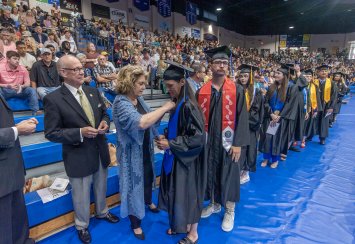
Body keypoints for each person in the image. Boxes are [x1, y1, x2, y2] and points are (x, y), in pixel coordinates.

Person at [44, 55, 119, 244]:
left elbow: (104, 113)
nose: (81, 72)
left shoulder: (92, 91)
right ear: (63, 73)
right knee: (81, 194)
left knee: (101, 186)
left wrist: (104, 122)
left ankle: (102, 212)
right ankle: (82, 225)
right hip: (78, 154)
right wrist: (79, 132)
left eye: (81, 68)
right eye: (75, 69)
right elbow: (52, 133)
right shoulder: (53, 99)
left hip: (99, 149)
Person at [112, 65, 175, 240]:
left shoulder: (138, 99)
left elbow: (151, 120)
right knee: (133, 187)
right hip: (130, 155)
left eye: (144, 83)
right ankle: (136, 223)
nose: (144, 86)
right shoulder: (120, 102)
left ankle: (147, 201)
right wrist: (165, 107)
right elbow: (140, 122)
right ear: (129, 83)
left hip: (144, 150)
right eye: (140, 83)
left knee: (147, 178)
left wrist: (158, 134)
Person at [197, 46, 250, 232]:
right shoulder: (202, 90)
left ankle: (230, 209)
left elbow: (243, 117)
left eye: (225, 63)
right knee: (211, 171)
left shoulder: (236, 89)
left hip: (229, 142)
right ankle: (214, 203)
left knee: (229, 173)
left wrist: (238, 144)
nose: (222, 66)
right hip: (209, 142)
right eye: (218, 62)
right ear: (210, 65)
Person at [157, 61, 207, 244]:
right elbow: (181, 130)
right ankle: (182, 224)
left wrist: (170, 143)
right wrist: (165, 137)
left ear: (182, 82)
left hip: (188, 159)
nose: (168, 89)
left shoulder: (188, 105)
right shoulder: (179, 103)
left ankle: (193, 233)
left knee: (189, 194)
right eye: (166, 86)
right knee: (178, 192)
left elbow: (198, 137)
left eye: (171, 86)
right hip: (177, 156)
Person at [0, 92, 37, 244]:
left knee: (17, 221)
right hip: (3, 175)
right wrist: (16, 130)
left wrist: (20, 127)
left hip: (11, 170)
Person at [259, 65, 295, 168]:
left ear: (284, 76)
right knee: (267, 138)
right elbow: (265, 101)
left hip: (280, 119)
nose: (276, 75)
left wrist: (280, 116)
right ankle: (266, 158)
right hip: (270, 117)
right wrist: (271, 113)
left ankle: (275, 159)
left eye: (278, 73)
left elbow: (289, 104)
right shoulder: (271, 87)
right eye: (275, 73)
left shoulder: (290, 87)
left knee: (276, 139)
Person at [237, 64, 264, 184]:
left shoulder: (255, 92)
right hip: (238, 125)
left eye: (246, 76)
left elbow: (256, 110)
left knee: (249, 148)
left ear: (251, 77)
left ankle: (246, 172)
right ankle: (238, 170)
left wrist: (244, 121)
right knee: (240, 148)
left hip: (250, 125)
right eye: (241, 76)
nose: (243, 78)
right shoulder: (236, 89)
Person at [0, 51, 39, 115]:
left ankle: (35, 111)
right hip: (6, 90)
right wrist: (8, 85)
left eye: (18, 59)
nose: (17, 61)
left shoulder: (23, 68)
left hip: (20, 90)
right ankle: (2, 114)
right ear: (8, 59)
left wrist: (21, 86)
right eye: (15, 59)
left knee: (31, 90)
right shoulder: (1, 68)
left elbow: (28, 83)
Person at [313, 64, 338, 145]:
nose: (324, 72)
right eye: (322, 71)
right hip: (315, 105)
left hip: (326, 105)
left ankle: (322, 138)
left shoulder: (332, 83)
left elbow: (334, 96)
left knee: (324, 122)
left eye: (325, 71)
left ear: (328, 72)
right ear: (318, 72)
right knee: (313, 120)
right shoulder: (314, 82)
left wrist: (331, 107)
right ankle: (309, 135)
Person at [302, 69, 323, 148]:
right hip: (302, 109)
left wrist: (316, 109)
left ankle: (303, 139)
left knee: (307, 125)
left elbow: (317, 98)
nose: (309, 78)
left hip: (310, 109)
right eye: (307, 76)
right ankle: (295, 139)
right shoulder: (300, 85)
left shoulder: (315, 86)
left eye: (310, 76)